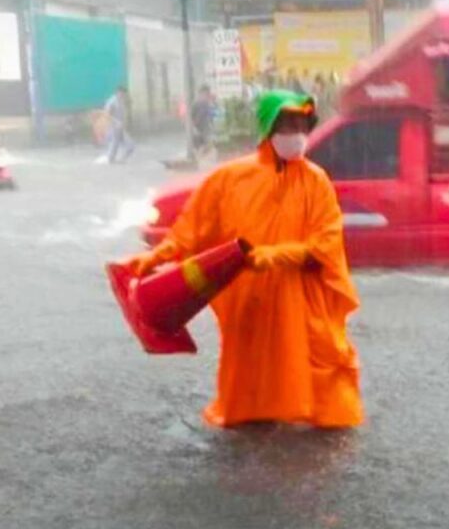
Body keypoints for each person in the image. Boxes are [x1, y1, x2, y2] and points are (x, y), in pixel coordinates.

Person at [123, 90, 363, 429]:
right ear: (268, 128)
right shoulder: (229, 179)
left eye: (302, 124)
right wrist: (157, 258)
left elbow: (325, 243)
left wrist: (274, 256)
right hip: (247, 299)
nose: (297, 133)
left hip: (301, 298)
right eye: (288, 124)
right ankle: (251, 430)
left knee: (320, 365)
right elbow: (192, 229)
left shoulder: (316, 181)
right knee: (250, 373)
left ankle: (315, 429)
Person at [101, 85, 134, 164]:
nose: (123, 95)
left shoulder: (121, 100)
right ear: (118, 92)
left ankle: (120, 160)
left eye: (124, 94)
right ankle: (111, 161)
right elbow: (106, 114)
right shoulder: (112, 101)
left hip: (120, 128)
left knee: (130, 146)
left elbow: (122, 114)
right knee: (114, 146)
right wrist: (116, 122)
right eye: (122, 93)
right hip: (113, 127)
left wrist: (122, 123)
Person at [190, 84, 216, 155]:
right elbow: (192, 117)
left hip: (206, 131)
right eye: (205, 94)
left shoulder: (208, 103)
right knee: (201, 149)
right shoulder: (196, 104)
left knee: (207, 149)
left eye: (207, 93)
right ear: (201, 93)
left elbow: (212, 116)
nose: (206, 95)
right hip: (200, 131)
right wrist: (194, 127)